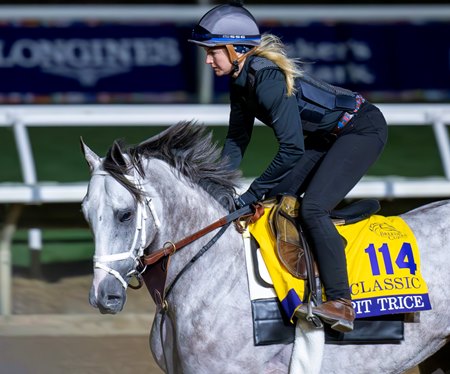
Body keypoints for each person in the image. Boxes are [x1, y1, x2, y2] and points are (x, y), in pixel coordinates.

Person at [188, 1, 388, 333]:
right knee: (276, 200)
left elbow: (292, 149)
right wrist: (215, 185)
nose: (208, 59)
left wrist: (250, 193)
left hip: (361, 129)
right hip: (327, 137)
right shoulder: (239, 80)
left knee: (313, 209)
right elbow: (237, 139)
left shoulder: (265, 80)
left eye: (213, 51)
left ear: (237, 48)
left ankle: (341, 301)